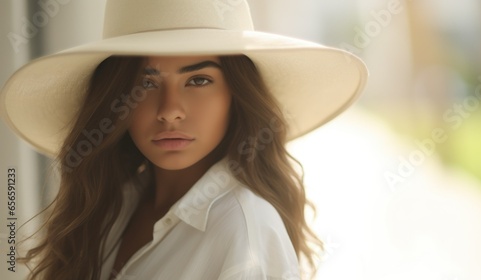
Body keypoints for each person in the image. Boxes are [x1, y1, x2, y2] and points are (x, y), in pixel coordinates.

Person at [0, 0, 367, 279]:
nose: (170, 110)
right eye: (145, 83)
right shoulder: (112, 203)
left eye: (198, 80)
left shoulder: (244, 232)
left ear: (235, 95)